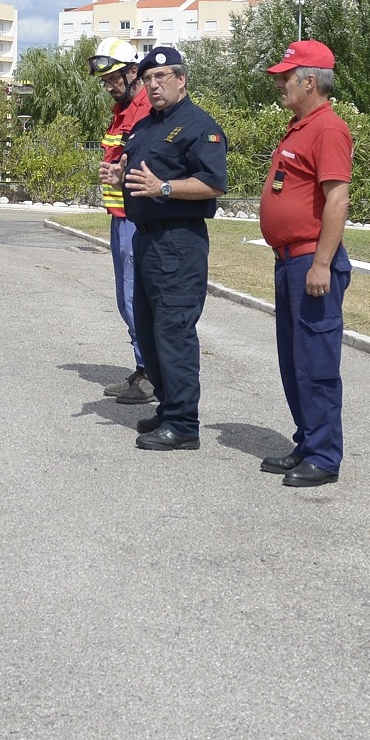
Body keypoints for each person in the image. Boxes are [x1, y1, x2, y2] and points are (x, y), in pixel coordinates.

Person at [106, 46, 229, 451]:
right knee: (149, 329)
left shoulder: (198, 126)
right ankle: (167, 408)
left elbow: (212, 184)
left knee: (174, 332)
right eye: (147, 80)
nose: (154, 85)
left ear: (182, 80)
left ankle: (183, 424)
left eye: (162, 78)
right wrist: (120, 173)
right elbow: (138, 172)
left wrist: (165, 188)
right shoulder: (145, 126)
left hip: (178, 241)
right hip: (146, 238)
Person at [254, 40, 352, 487]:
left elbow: (337, 199)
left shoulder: (328, 128)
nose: (280, 84)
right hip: (289, 261)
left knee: (316, 362)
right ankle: (307, 441)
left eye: (286, 77)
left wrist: (322, 264)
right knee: (294, 362)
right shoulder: (300, 126)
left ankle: (325, 457)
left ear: (309, 82)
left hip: (311, 261)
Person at [88, 38, 154, 405]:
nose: (110, 86)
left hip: (135, 218)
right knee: (125, 299)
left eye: (115, 78)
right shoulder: (123, 109)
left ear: (133, 72)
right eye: (105, 81)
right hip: (120, 217)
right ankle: (144, 369)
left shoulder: (144, 111)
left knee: (133, 298)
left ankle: (150, 374)